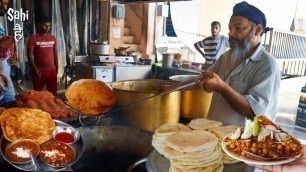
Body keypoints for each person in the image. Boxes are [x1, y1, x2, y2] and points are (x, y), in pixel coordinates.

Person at [199, 1, 281, 126]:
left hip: (239, 144)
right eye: (230, 28)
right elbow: (204, 78)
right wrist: (172, 87)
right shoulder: (228, 56)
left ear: (257, 30)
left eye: (238, 28)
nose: (231, 33)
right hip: (214, 136)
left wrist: (221, 87)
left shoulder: (268, 66)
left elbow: (256, 113)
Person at [27, 17, 58, 96]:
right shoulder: (33, 38)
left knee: (52, 94)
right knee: (36, 94)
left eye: (49, 25)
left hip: (52, 70)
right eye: (45, 25)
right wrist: (34, 68)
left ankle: (51, 108)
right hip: (39, 71)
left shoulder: (53, 38)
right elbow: (29, 54)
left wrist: (57, 67)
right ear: (39, 25)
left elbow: (55, 53)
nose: (47, 27)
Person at [0, 0, 17, 105]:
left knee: (12, 108)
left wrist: (11, 56)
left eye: (6, 3)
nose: (3, 6)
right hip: (1, 75)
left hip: (5, 77)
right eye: (0, 2)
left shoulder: (1, 24)